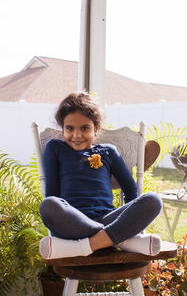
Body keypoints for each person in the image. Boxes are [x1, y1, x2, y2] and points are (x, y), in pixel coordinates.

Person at [39, 93, 162, 260]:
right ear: (62, 128)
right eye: (70, 128)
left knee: (153, 200)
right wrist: (126, 229)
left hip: (108, 217)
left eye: (84, 128)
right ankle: (120, 240)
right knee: (49, 204)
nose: (76, 135)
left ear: (96, 128)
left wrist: (131, 220)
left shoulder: (108, 151)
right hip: (74, 222)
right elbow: (52, 193)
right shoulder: (55, 148)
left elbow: (131, 190)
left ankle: (84, 246)